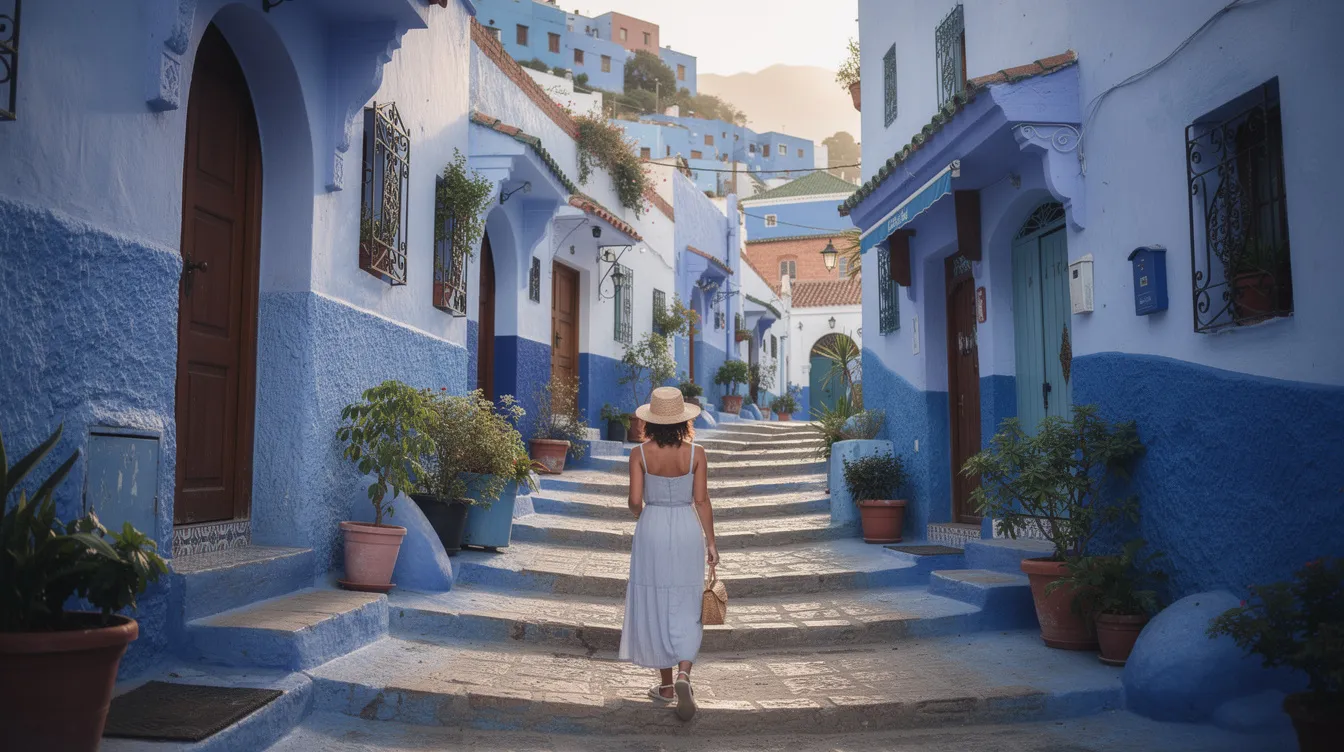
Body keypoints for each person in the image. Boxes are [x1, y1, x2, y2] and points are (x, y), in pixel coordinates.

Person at [618, 386, 718, 722]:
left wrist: (643, 512)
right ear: (683, 420)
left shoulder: (639, 455)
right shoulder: (697, 453)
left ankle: (663, 686)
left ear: (650, 421)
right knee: (688, 602)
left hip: (653, 526)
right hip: (688, 529)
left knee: (656, 601)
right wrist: (711, 543)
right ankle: (684, 676)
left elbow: (635, 502)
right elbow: (701, 501)